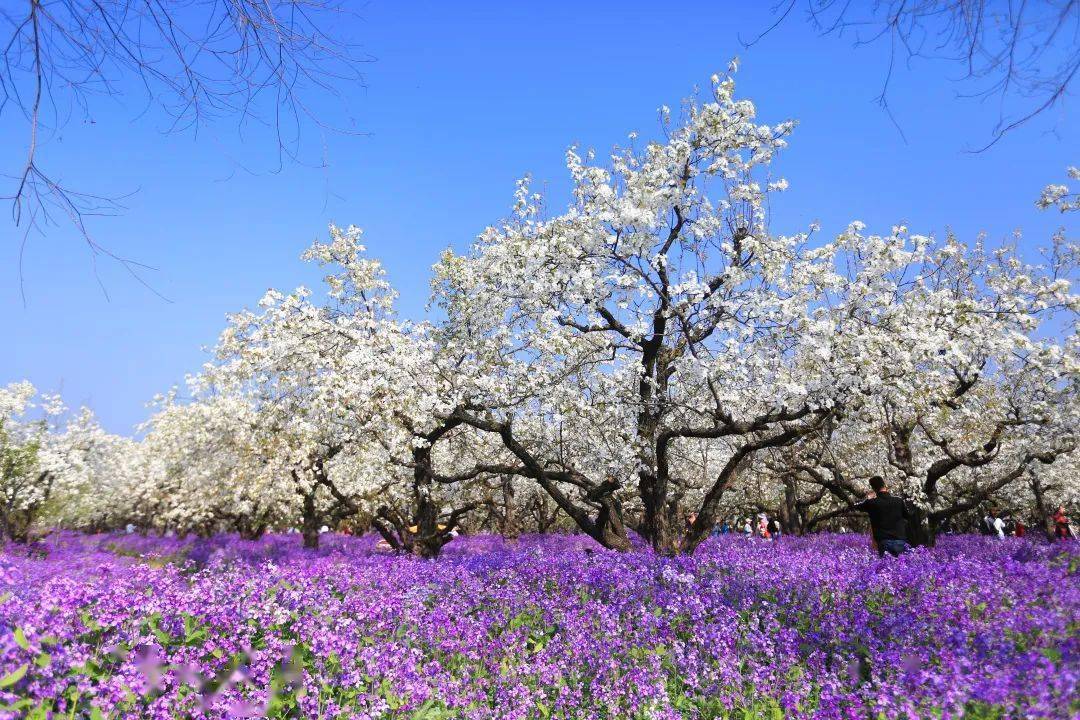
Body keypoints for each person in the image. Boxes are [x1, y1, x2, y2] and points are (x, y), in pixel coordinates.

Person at [854, 476, 911, 557]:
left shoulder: (871, 503)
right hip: (900, 540)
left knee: (887, 567)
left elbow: (855, 505)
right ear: (884, 485)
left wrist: (867, 497)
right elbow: (907, 517)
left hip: (884, 541)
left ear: (873, 489)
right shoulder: (899, 501)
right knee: (901, 566)